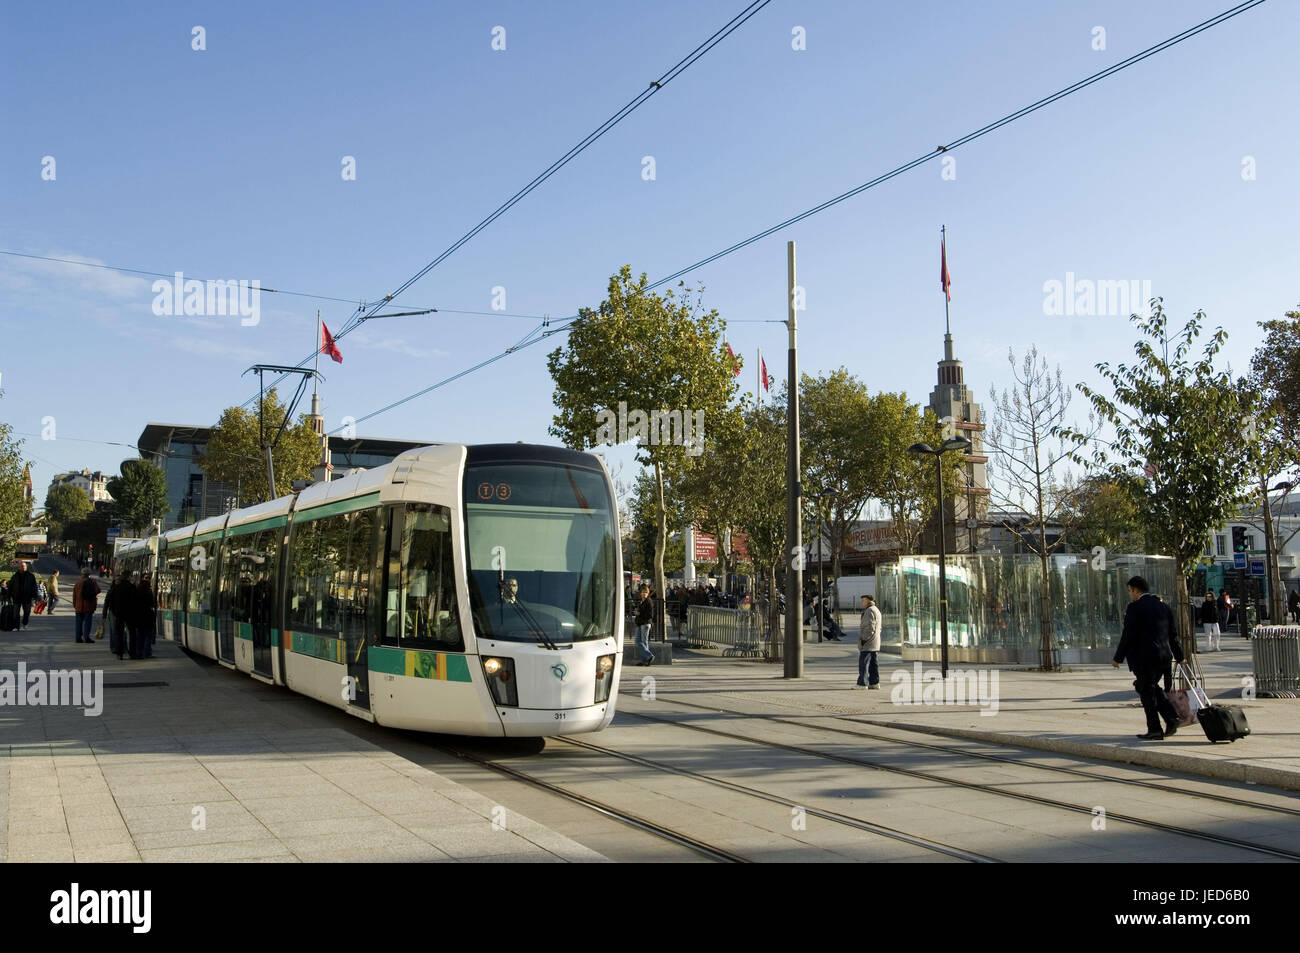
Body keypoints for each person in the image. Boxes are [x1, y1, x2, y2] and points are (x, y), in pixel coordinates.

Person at [1112, 575, 1182, 740]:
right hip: (1163, 657)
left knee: (1147, 692)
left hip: (1144, 658)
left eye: (1130, 591)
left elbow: (1128, 635)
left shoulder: (1134, 608)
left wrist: (1118, 657)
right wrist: (1180, 656)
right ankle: (1171, 718)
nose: (1130, 594)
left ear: (1136, 590)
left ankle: (1155, 729)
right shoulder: (1164, 607)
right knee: (1149, 687)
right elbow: (1172, 635)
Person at [104, 571, 134, 659]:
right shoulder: (131, 587)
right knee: (131, 633)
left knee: (119, 633)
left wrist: (112, 611)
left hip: (118, 613)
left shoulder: (116, 588)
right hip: (129, 613)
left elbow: (110, 602)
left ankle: (119, 653)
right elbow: (135, 602)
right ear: (128, 577)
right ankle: (131, 652)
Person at [855, 593, 882, 689]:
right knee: (873, 664)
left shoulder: (869, 610)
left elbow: (869, 627)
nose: (862, 602)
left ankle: (862, 683)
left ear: (868, 601)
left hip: (868, 642)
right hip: (875, 641)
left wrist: (863, 640)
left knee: (864, 663)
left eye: (863, 600)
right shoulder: (876, 610)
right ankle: (874, 682)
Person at [7, 561, 38, 630]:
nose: (23, 567)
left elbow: (34, 587)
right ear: (19, 567)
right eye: (22, 566)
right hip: (16, 597)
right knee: (15, 613)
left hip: (27, 597)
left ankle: (25, 623)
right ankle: (16, 626)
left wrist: (35, 596)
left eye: (24, 566)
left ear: (26, 567)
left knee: (27, 612)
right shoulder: (15, 576)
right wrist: (8, 596)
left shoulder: (31, 576)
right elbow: (10, 587)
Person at [72, 567, 101, 643]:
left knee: (79, 623)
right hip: (89, 605)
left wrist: (75, 604)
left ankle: (78, 638)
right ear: (89, 574)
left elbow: (74, 595)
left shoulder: (78, 583)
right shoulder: (92, 582)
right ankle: (86, 637)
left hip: (79, 606)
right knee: (87, 622)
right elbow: (98, 590)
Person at [135, 571, 157, 658]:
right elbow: (152, 604)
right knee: (147, 635)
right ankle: (147, 652)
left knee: (140, 635)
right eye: (147, 578)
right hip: (147, 616)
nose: (148, 579)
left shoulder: (137, 590)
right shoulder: (148, 592)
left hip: (139, 617)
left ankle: (139, 652)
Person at [634, 583, 654, 666]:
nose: (643, 594)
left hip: (645, 623)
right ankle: (646, 660)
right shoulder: (642, 601)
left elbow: (650, 615)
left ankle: (648, 657)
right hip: (640, 623)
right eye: (642, 592)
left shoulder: (648, 601)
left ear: (648, 593)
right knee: (639, 641)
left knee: (642, 642)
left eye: (645, 592)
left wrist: (639, 614)